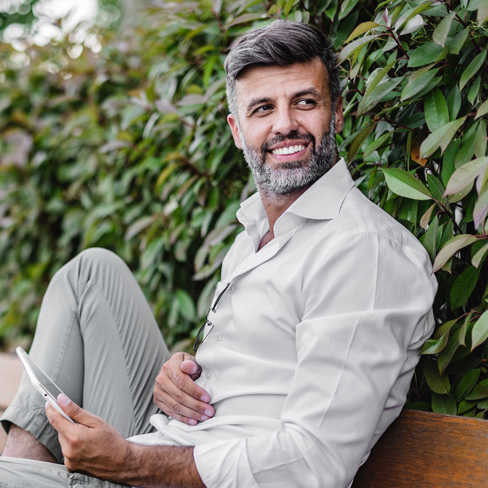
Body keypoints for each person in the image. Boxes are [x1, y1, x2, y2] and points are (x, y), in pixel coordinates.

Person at [0, 19, 437, 488]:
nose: (285, 124)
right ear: (236, 129)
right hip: (163, 442)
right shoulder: (254, 231)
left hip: (159, 473)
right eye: (263, 108)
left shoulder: (361, 252)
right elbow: (257, 367)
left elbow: (312, 464)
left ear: (337, 115)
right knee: (90, 274)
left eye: (304, 102)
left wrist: (127, 463)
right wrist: (183, 373)